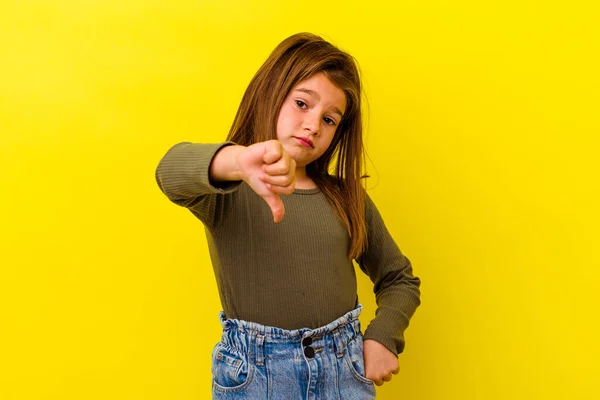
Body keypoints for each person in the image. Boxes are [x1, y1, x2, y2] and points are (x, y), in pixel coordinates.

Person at [155, 32, 421, 399]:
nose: (313, 124)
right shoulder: (227, 192)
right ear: (270, 94)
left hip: (342, 372)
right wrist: (235, 161)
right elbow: (169, 171)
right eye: (301, 103)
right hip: (256, 378)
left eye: (329, 119)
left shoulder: (347, 198)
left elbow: (399, 278)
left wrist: (382, 337)